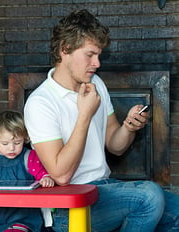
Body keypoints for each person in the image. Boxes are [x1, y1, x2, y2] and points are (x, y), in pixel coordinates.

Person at [24, 9, 179, 232]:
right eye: (90, 55)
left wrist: (128, 127)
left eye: (99, 55)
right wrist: (84, 115)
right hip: (67, 204)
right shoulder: (41, 102)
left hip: (104, 189)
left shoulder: (95, 82)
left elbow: (115, 146)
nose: (97, 63)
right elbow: (61, 175)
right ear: (65, 49)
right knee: (149, 196)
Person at [0, 110, 55, 232]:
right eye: (5, 143)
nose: (12, 148)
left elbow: (42, 173)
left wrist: (45, 178)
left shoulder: (29, 156)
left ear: (25, 138)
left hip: (20, 214)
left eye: (17, 142)